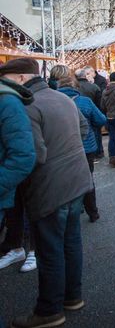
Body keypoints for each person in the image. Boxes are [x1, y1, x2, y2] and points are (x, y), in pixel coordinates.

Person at [1, 58, 92, 328]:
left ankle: (49, 310)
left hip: (51, 187)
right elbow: (84, 130)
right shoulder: (62, 97)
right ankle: (72, 297)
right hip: (77, 181)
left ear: (19, 78)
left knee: (50, 249)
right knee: (71, 242)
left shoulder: (27, 106)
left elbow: (34, 155)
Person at [54, 66, 107, 223]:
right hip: (86, 146)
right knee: (87, 178)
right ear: (75, 87)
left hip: (62, 147)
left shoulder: (53, 102)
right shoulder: (85, 102)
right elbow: (101, 120)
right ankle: (93, 211)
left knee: (67, 179)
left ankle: (73, 209)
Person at [0, 66, 35, 277]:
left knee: (30, 210)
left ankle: (31, 249)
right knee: (17, 211)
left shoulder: (10, 100)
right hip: (13, 173)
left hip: (28, 170)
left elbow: (25, 154)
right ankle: (16, 247)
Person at [77, 67, 104, 160]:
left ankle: (88, 153)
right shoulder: (94, 87)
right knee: (96, 134)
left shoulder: (74, 87)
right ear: (85, 76)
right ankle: (98, 152)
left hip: (78, 114)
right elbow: (99, 103)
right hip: (93, 112)